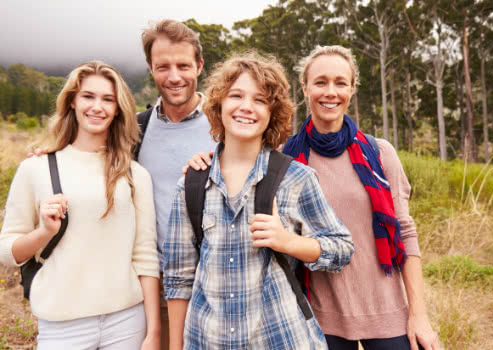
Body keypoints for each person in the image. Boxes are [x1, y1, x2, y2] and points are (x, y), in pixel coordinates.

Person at [187, 45, 440, 350]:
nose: (330, 92)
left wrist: (419, 314)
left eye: (340, 83)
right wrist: (207, 160)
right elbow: (236, 160)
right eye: (320, 82)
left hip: (385, 312)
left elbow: (405, 232)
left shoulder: (379, 153)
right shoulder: (283, 161)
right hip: (320, 316)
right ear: (304, 88)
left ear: (352, 89)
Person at [163, 51, 354, 350]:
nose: (246, 107)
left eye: (260, 100)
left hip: (279, 338)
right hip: (208, 340)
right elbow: (178, 277)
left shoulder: (296, 178)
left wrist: (288, 241)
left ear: (272, 113)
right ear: (219, 105)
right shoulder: (191, 183)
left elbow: (342, 247)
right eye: (236, 95)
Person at [0, 61, 160, 349]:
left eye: (108, 99)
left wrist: (154, 333)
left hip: (126, 321)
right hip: (63, 325)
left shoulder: (135, 175)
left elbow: (145, 256)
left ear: (118, 109)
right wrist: (44, 232)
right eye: (88, 96)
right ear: (72, 101)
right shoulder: (36, 168)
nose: (97, 107)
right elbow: (8, 253)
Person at [138, 19, 218, 349]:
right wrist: (47, 155)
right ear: (150, 68)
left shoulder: (225, 121)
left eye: (183, 65)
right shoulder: (135, 128)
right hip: (152, 291)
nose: (174, 77)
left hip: (215, 289)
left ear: (199, 66)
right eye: (163, 67)